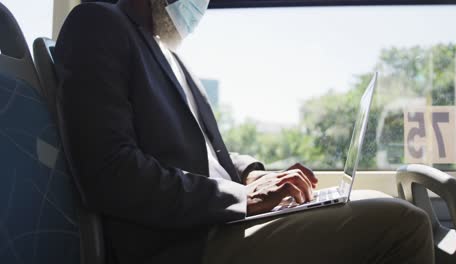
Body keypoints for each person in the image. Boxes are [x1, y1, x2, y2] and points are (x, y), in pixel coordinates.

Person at [54, 0, 435, 263]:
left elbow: (208, 156)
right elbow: (109, 171)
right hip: (183, 245)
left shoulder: (172, 58)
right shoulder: (97, 25)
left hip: (219, 223)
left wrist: (254, 174)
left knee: (369, 201)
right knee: (404, 225)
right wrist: (242, 198)